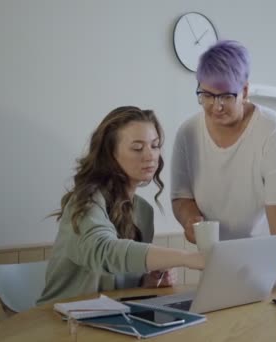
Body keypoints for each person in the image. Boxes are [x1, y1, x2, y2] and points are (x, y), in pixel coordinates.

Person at [171, 40, 276, 292]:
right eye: (207, 95)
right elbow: (181, 196)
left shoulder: (272, 130)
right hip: (225, 254)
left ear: (245, 90)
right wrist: (190, 220)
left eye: (226, 96)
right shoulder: (188, 133)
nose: (216, 106)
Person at [38, 106, 204, 305]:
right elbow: (105, 251)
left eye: (155, 145)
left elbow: (121, 279)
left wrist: (147, 281)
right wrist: (185, 258)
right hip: (62, 322)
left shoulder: (143, 212)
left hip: (112, 320)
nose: (150, 156)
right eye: (137, 148)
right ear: (110, 154)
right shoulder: (84, 202)